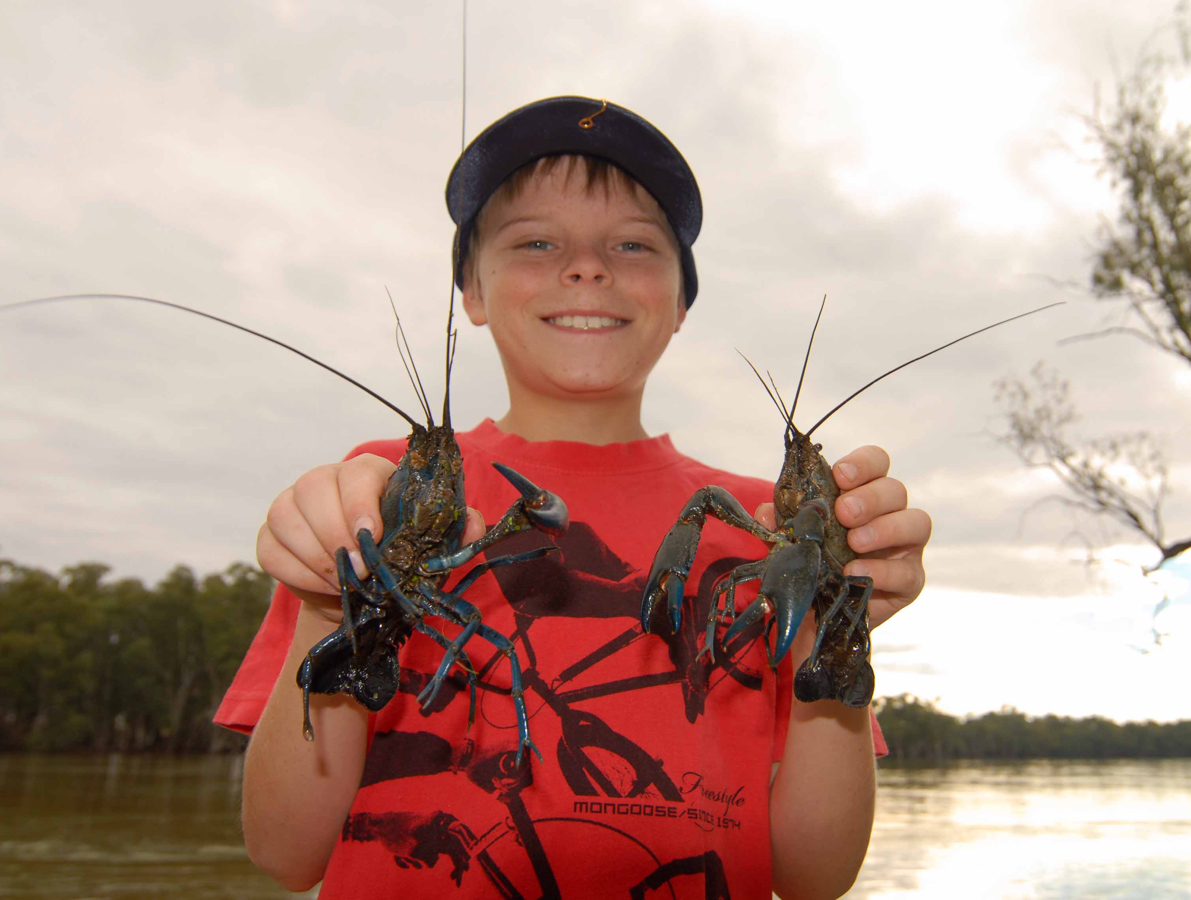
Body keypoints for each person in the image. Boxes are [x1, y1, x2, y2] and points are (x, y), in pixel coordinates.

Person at [216, 96, 932, 899]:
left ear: (680, 303)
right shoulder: (368, 491)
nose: (587, 266)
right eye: (535, 242)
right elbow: (284, 853)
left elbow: (814, 879)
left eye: (631, 244)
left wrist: (837, 627)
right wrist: (331, 597)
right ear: (473, 294)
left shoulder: (765, 528)